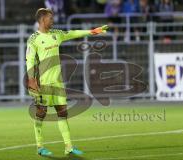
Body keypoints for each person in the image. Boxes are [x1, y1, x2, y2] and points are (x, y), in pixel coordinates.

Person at [26, 8, 108, 156]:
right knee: (41, 114)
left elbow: (72, 33)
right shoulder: (34, 39)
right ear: (43, 20)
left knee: (62, 113)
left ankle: (68, 147)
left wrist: (92, 32)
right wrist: (31, 79)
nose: (53, 20)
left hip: (57, 83)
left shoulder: (56, 34)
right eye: (50, 18)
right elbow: (30, 60)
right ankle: (39, 147)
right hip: (42, 83)